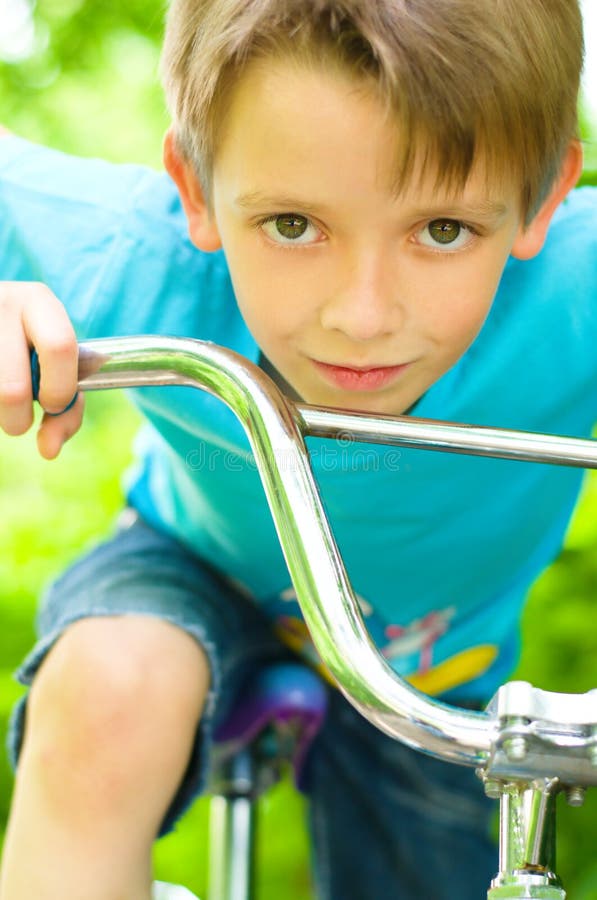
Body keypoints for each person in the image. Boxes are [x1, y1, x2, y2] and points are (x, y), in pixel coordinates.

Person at [0, 1, 593, 897]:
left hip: (436, 673)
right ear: (195, 189)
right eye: (291, 225)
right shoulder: (124, 258)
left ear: (544, 196)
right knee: (106, 690)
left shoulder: (573, 296)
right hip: (194, 567)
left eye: (441, 230)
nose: (361, 316)